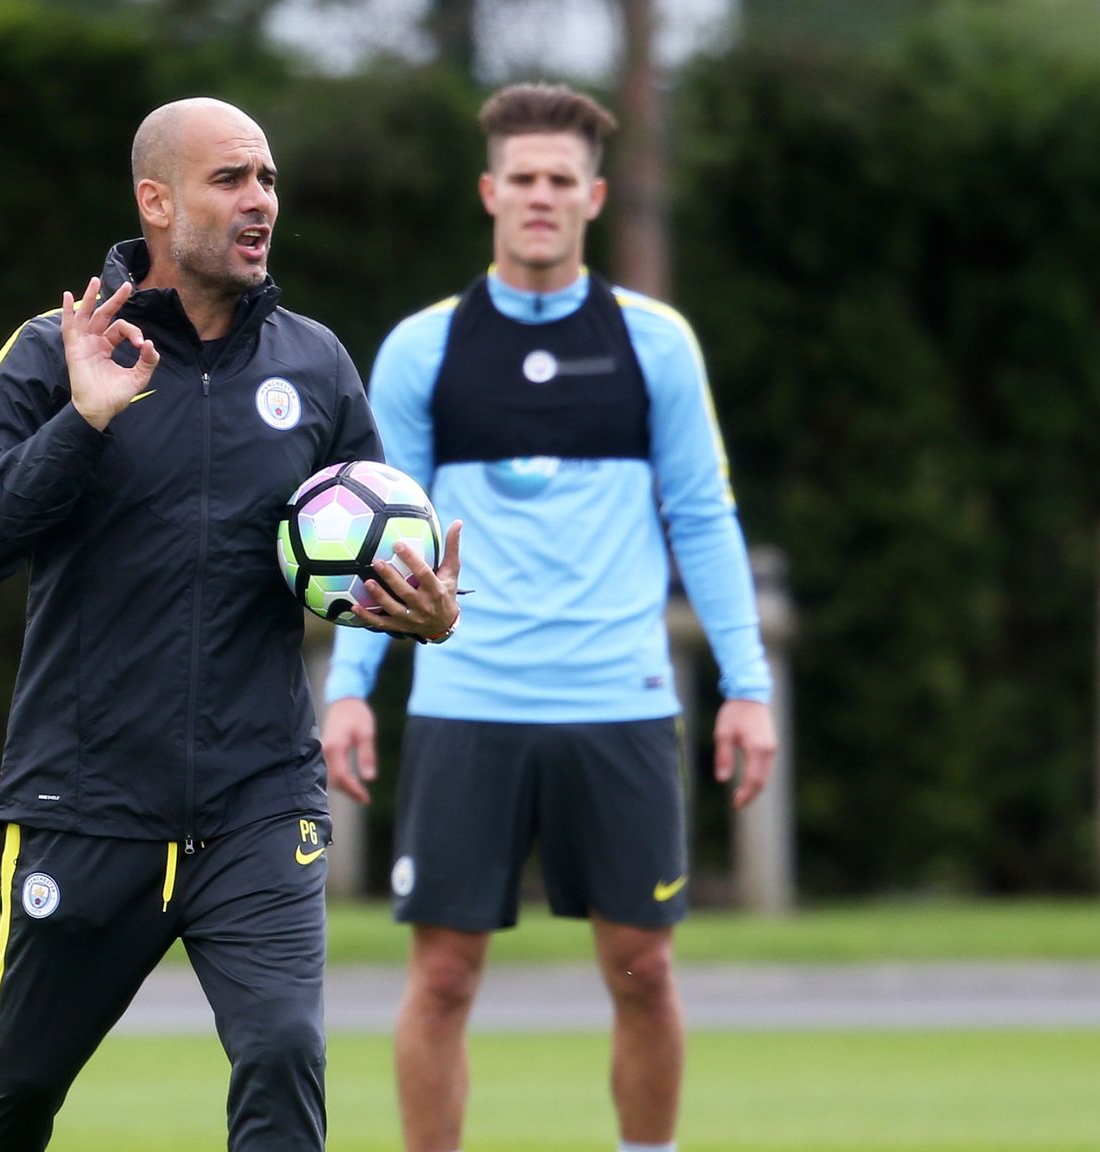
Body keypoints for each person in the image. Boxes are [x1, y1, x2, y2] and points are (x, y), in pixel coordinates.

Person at [0, 97, 463, 1150]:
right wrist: (81, 422)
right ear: (156, 201)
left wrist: (421, 617)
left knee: (280, 1054)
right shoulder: (52, 352)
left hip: (258, 800)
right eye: (230, 179)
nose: (260, 199)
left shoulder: (313, 365)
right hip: (84, 802)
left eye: (265, 178)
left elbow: (364, 562)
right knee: (16, 1092)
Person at [321, 83, 779, 1152]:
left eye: (558, 181)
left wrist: (745, 686)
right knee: (440, 976)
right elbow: (382, 540)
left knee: (642, 969)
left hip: (615, 706)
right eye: (519, 178)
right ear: (488, 191)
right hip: (465, 704)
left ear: (592, 196)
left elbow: (702, 520)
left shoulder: (652, 342)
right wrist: (348, 691)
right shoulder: (423, 349)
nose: (538, 196)